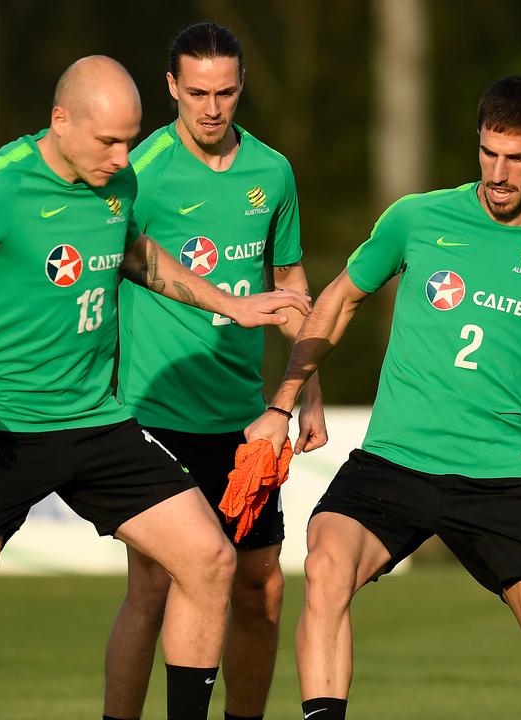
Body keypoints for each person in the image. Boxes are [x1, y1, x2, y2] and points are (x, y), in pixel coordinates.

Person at [0, 55, 310, 720]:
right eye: (108, 141)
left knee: (210, 559)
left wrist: (234, 303)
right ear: (60, 121)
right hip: (2, 426)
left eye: (130, 139)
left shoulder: (118, 181)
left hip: (95, 422)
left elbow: (139, 256)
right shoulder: (3, 184)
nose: (123, 155)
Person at [246, 75, 521, 720]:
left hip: (500, 479)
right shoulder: (417, 218)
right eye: (489, 153)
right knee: (324, 568)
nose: (498, 172)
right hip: (395, 462)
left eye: (516, 159)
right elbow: (340, 300)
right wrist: (282, 401)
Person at [103, 22, 327, 720]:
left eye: (224, 92)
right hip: (155, 411)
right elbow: (108, 259)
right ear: (171, 87)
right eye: (196, 91)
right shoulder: (141, 172)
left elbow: (289, 281)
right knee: (154, 587)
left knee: (261, 593)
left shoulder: (273, 171)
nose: (210, 107)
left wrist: (309, 387)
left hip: (244, 419)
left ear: (240, 88)